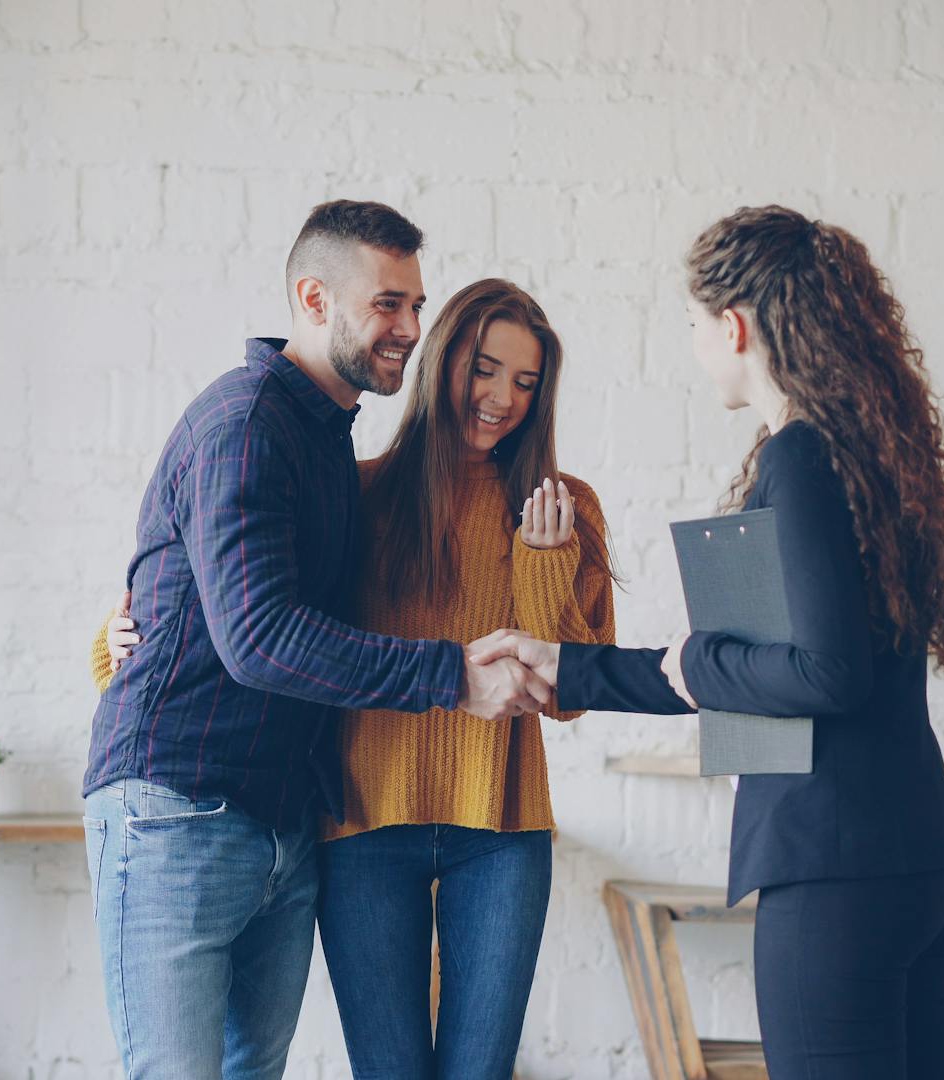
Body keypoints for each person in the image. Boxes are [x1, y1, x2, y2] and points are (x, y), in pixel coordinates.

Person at [474, 206, 944, 1079]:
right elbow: (758, 672)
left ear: (734, 325)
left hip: (838, 868)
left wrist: (697, 660)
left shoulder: (802, 458)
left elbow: (824, 674)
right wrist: (568, 665)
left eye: (694, 324)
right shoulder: (866, 456)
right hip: (920, 857)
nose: (696, 343)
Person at [101, 279, 618, 1079]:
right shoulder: (362, 493)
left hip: (504, 833)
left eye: (525, 382)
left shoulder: (562, 508)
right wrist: (115, 640)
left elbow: (572, 694)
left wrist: (544, 566)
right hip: (365, 829)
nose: (501, 399)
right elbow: (255, 612)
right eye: (484, 369)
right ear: (442, 361)